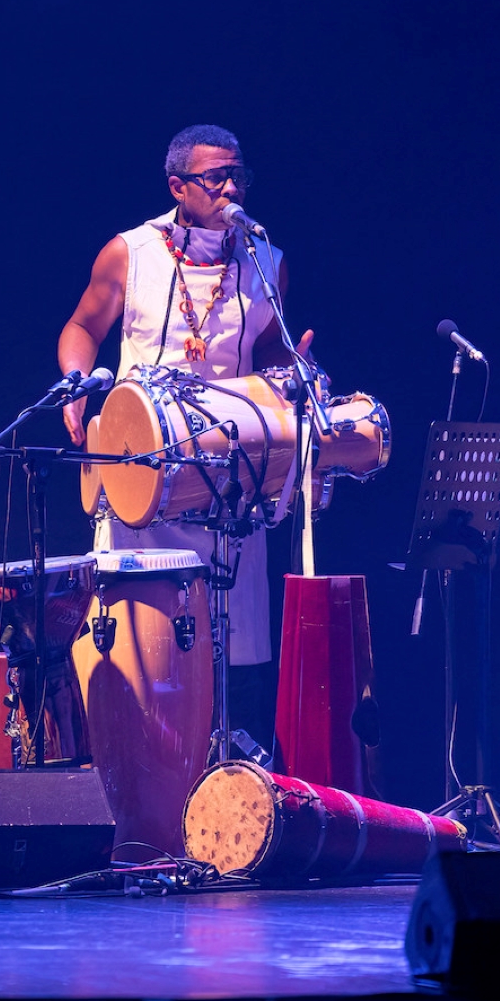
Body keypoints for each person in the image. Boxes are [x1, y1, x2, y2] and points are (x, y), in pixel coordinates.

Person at [57, 124, 310, 743]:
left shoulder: (263, 260)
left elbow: (272, 352)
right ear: (178, 186)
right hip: (142, 468)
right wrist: (76, 383)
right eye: (214, 177)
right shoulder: (131, 253)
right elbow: (82, 328)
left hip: (229, 477)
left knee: (232, 654)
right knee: (141, 648)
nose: (229, 188)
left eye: (237, 176)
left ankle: (226, 788)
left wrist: (290, 368)